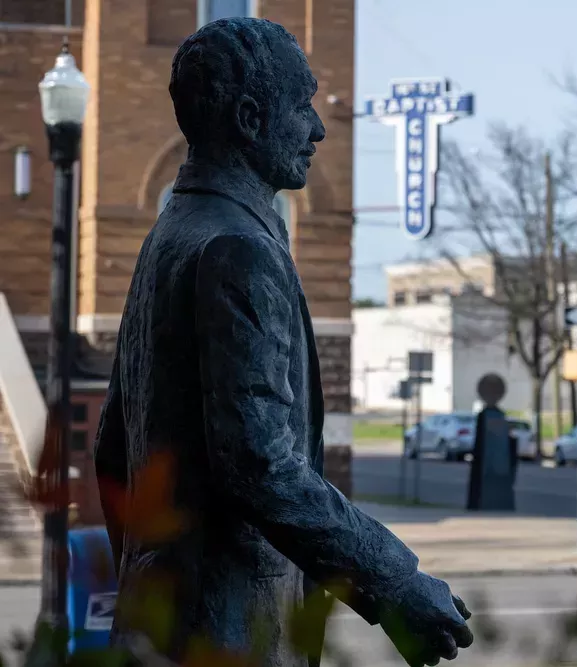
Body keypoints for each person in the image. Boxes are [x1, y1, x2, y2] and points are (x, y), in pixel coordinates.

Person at [92, 17, 472, 667]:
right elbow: (262, 467)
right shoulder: (237, 249)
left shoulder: (173, 233)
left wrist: (151, 564)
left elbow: (111, 445)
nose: (318, 129)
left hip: (161, 615)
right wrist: (394, 580)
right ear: (249, 118)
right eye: (303, 106)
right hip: (228, 629)